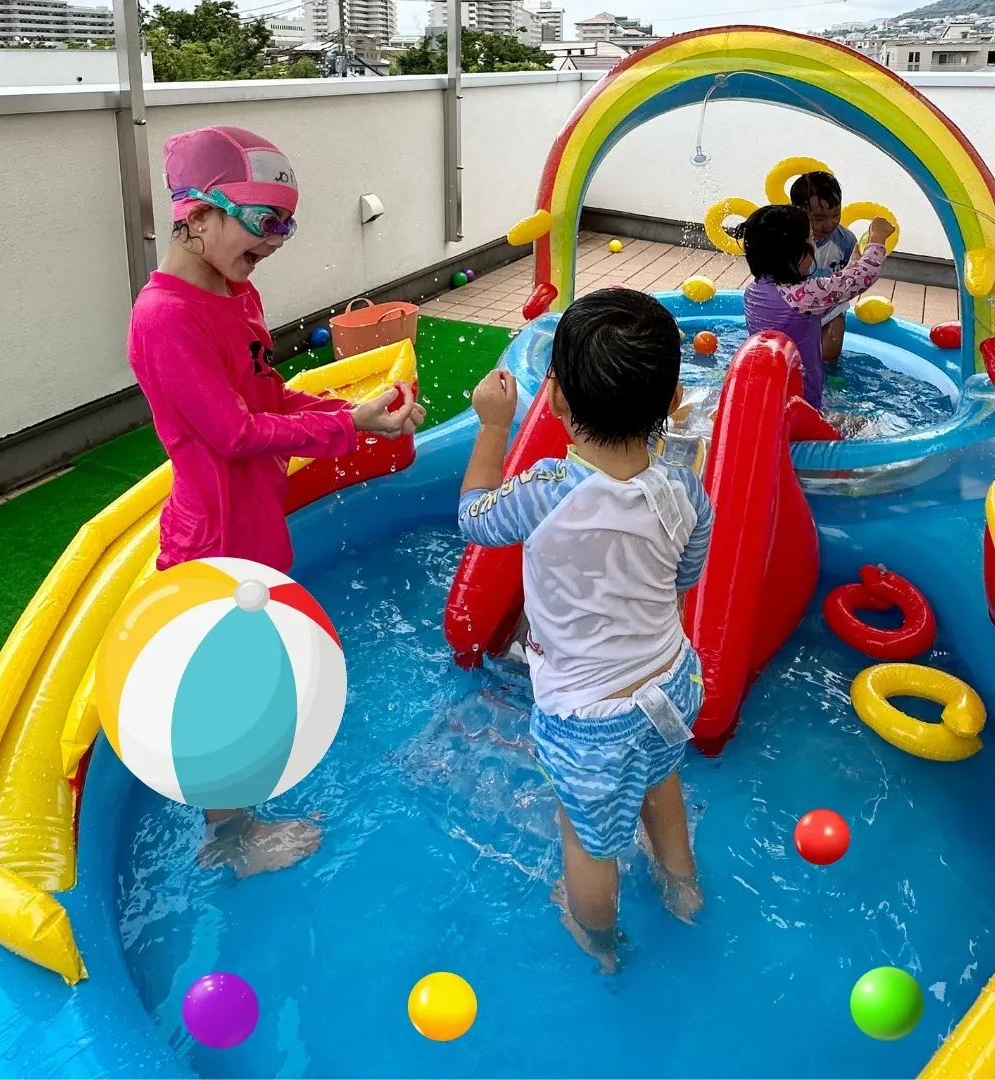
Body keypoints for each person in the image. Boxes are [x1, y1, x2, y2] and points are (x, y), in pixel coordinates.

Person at [128, 125, 425, 878]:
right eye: (262, 224)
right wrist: (341, 423)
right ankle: (229, 842)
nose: (277, 241)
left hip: (257, 518)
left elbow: (264, 395)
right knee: (224, 692)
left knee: (255, 674)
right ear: (194, 217)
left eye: (285, 225)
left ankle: (236, 816)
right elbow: (231, 431)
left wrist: (354, 414)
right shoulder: (166, 319)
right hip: (213, 535)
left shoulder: (237, 293)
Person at [457, 289, 713, 972]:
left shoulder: (546, 490)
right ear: (673, 397)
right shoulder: (685, 490)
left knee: (589, 841)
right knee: (662, 785)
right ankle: (684, 892)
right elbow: (683, 580)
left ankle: (597, 939)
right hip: (674, 682)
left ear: (560, 399)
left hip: (587, 719)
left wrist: (493, 426)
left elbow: (476, 518)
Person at [739, 204, 894, 412]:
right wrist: (877, 239)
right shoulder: (801, 297)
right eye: (811, 239)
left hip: (767, 393)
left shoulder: (754, 291)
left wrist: (852, 263)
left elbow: (837, 286)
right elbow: (861, 278)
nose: (814, 244)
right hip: (801, 401)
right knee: (859, 425)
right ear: (795, 253)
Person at [790, 171, 859, 365]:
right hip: (796, 307)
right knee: (792, 352)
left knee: (829, 354)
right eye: (818, 219)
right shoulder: (790, 239)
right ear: (798, 211)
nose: (829, 224)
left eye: (835, 214)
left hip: (831, 308)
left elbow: (850, 274)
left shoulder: (845, 241)